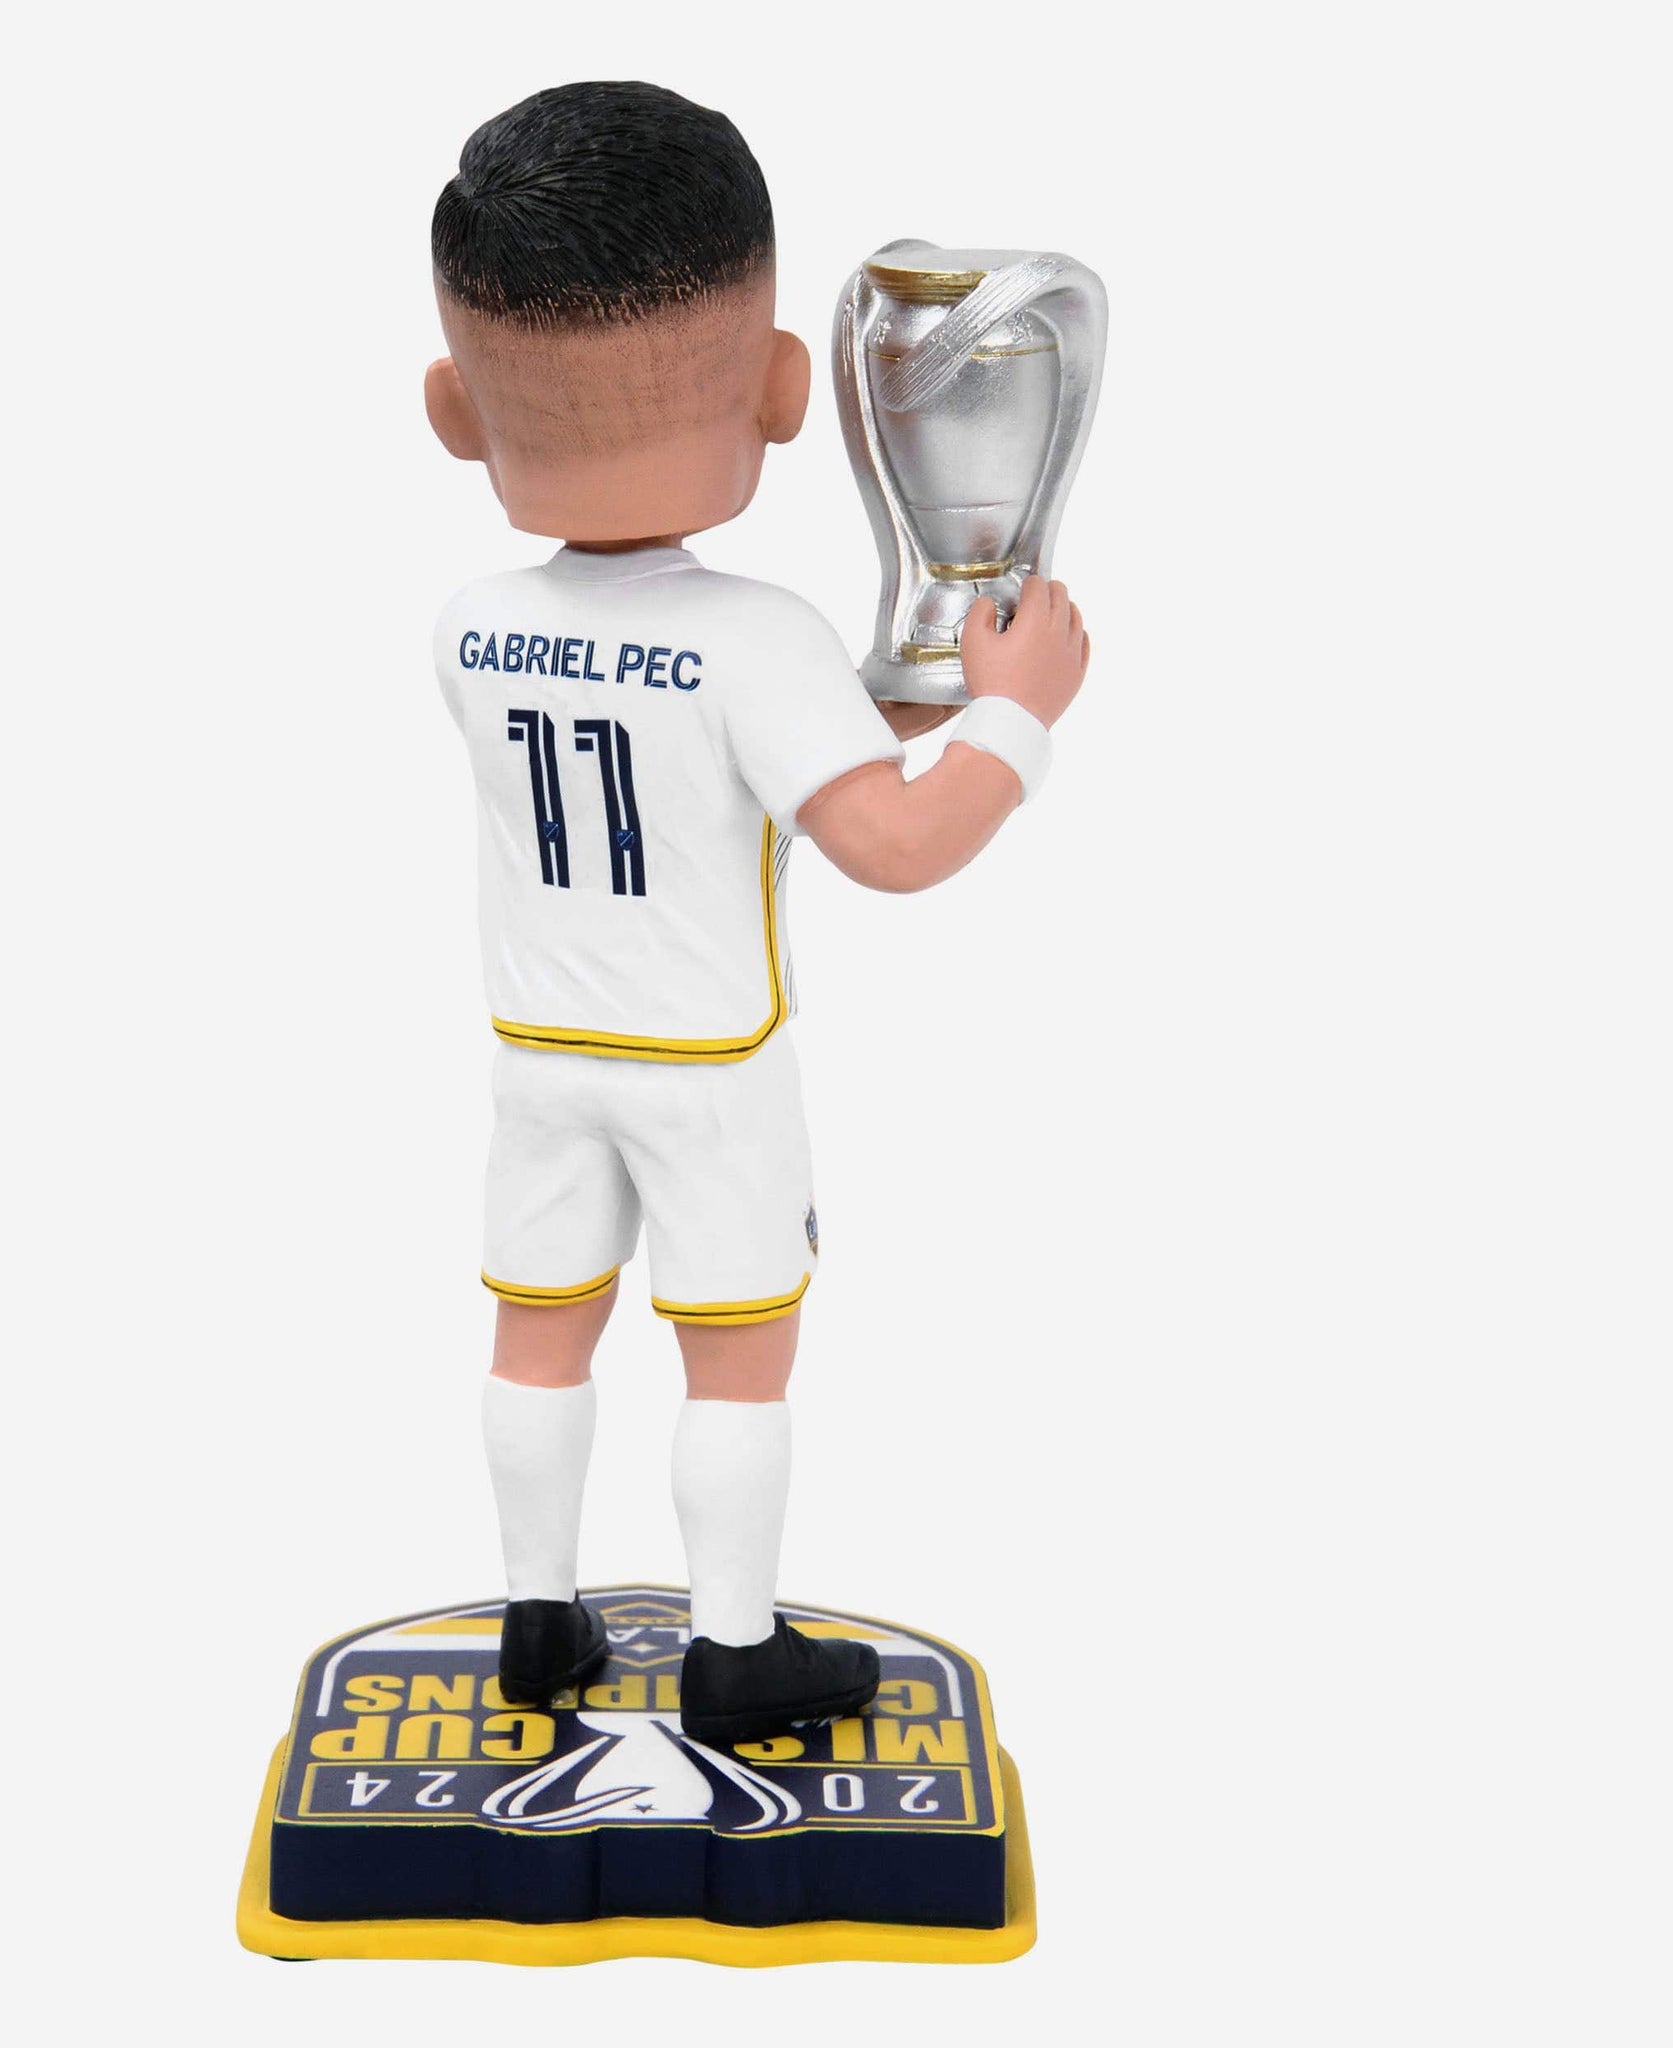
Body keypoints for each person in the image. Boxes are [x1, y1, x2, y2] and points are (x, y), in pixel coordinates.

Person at [426, 81, 1089, 1745]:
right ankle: (731, 1649)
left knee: (537, 1332)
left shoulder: (470, 627)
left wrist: (912, 699)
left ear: (454, 410)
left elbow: (725, 738)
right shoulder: (760, 635)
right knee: (735, 1361)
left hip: (538, 1057)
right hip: (707, 1068)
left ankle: (535, 1617)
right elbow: (892, 843)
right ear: (789, 391)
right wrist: (1016, 717)